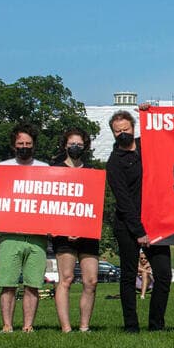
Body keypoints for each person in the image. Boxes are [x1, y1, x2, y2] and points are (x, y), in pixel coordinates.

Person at [105, 110, 172, 333]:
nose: (123, 133)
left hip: (156, 221)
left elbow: (169, 134)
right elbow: (123, 201)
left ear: (134, 127)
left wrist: (150, 112)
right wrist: (139, 230)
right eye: (118, 131)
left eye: (126, 129)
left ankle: (156, 323)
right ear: (113, 134)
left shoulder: (147, 147)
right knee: (127, 276)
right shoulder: (114, 162)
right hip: (128, 225)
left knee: (163, 274)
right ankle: (131, 325)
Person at [0, 124, 49, 333]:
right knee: (8, 282)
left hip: (37, 235)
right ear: (14, 145)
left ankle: (28, 325)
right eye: (20, 144)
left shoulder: (44, 168)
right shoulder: (3, 167)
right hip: (10, 235)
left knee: (33, 284)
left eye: (28, 144)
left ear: (34, 145)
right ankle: (7, 324)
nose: (24, 147)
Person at [50, 128, 99, 333]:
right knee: (67, 278)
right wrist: (61, 229)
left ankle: (84, 326)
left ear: (85, 146)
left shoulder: (92, 172)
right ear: (65, 146)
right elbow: (50, 203)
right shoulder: (55, 171)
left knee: (91, 280)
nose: (75, 147)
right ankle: (66, 327)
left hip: (87, 233)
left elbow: (94, 204)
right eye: (72, 144)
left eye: (79, 144)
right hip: (63, 234)